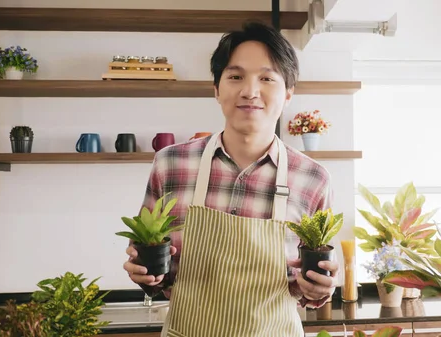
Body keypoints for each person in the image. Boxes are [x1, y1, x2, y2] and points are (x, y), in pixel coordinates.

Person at [122, 21, 339, 336]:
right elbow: (151, 264)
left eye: (266, 78)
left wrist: (321, 289)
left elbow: (312, 289)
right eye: (235, 77)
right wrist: (143, 273)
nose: (250, 91)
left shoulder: (313, 178)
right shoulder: (170, 164)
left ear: (288, 93)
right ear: (216, 88)